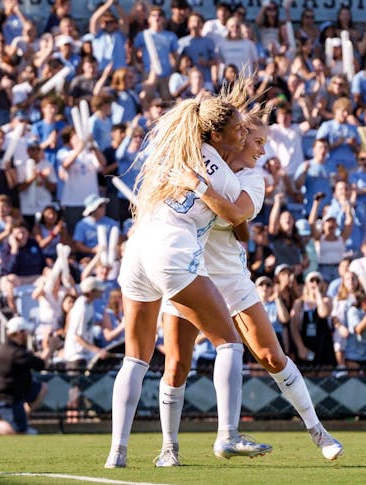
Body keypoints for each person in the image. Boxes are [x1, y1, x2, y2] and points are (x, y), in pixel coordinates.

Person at [158, 121, 342, 464]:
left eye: (264, 141)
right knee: (177, 363)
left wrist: (198, 186)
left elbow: (235, 214)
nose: (261, 149)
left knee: (272, 357)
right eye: (256, 140)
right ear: (234, 136)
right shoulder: (199, 156)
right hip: (189, 272)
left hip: (230, 277)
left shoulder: (252, 179)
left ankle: (319, 431)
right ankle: (169, 448)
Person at [105, 84, 254, 468]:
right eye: (238, 129)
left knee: (135, 359)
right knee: (229, 343)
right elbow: (239, 220)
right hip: (172, 252)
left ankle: (117, 453)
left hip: (137, 250)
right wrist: (207, 190)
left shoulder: (169, 151)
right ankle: (229, 434)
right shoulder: (226, 178)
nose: (244, 134)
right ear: (215, 135)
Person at [0, 317, 48, 435]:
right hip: (4, 396)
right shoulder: (15, 352)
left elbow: (31, 360)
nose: (28, 335)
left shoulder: (13, 348)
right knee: (17, 432)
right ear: (19, 333)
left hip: (17, 390)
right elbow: (40, 365)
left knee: (42, 388)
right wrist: (50, 348)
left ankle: (23, 424)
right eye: (25, 332)